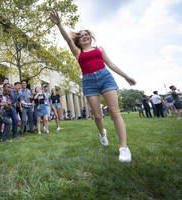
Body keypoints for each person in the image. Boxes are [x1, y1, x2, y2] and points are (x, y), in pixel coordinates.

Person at [50, 11, 136, 162]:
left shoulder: (99, 49)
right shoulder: (77, 52)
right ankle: (102, 133)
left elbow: (111, 64)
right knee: (97, 115)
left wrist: (126, 76)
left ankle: (124, 148)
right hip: (89, 82)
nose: (85, 36)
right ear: (79, 40)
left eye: (87, 34)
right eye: (82, 35)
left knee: (115, 111)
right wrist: (59, 24)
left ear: (91, 37)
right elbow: (67, 40)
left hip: (105, 77)